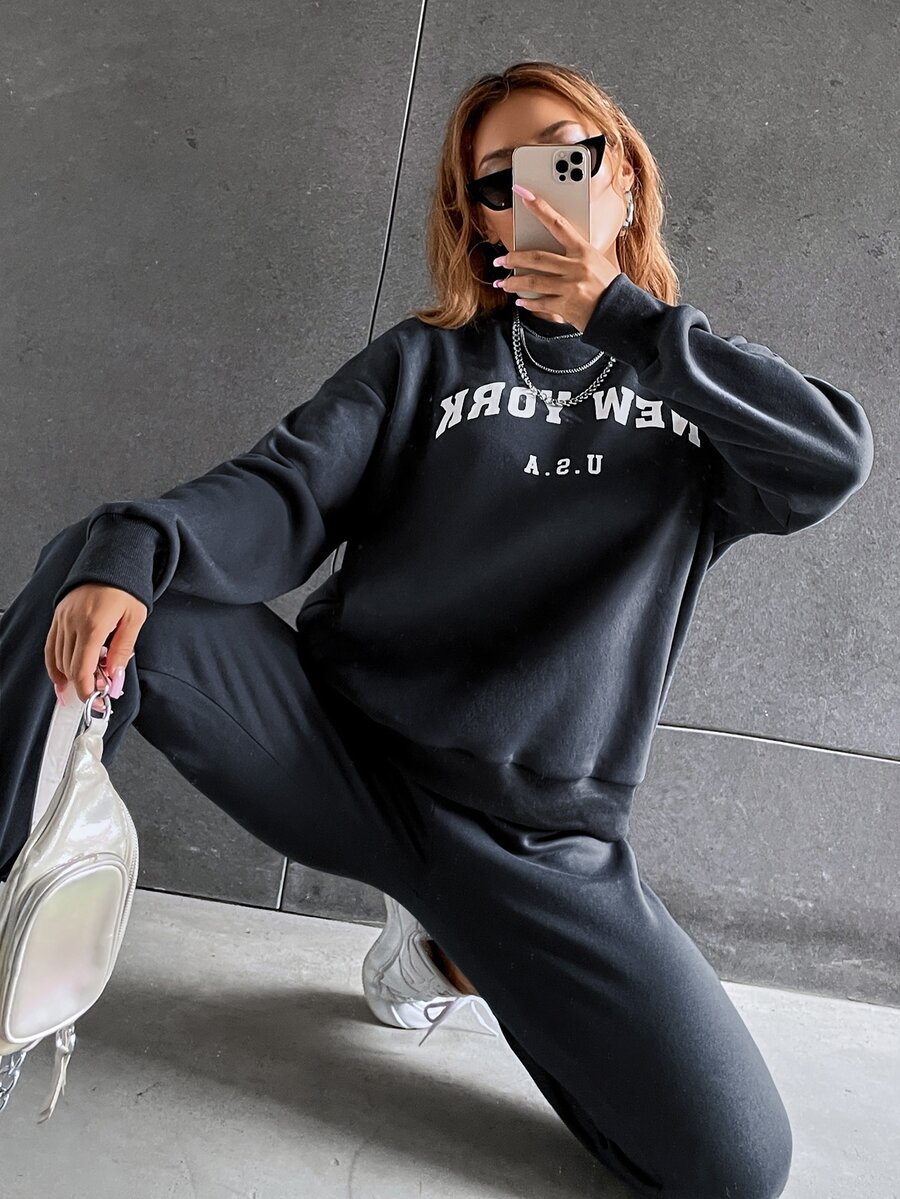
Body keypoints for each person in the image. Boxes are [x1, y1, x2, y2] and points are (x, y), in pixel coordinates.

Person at [0, 60, 874, 1197]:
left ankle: (450, 948)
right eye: (501, 179)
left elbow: (829, 460)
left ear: (623, 175)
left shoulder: (699, 394)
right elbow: (284, 491)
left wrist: (626, 316)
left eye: (567, 156)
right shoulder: (425, 361)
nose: (537, 193)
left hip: (536, 846)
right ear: (479, 218)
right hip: (337, 757)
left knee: (732, 1168)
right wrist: (137, 549)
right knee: (108, 560)